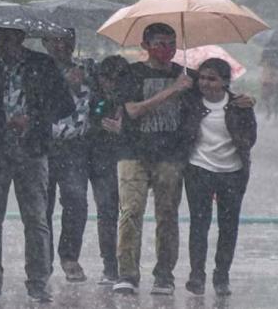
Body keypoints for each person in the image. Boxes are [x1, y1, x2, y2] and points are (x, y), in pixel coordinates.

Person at [0, 27, 75, 303]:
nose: (2, 43)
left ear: (21, 37)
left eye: (8, 37)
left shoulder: (42, 64)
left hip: (32, 149)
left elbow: (64, 106)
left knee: (36, 218)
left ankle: (38, 283)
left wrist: (33, 119)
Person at [112, 23, 195, 296]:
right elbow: (133, 110)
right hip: (133, 152)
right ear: (145, 46)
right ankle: (127, 273)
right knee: (131, 211)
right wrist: (172, 90)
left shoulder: (186, 76)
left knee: (167, 214)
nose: (166, 49)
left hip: (170, 155)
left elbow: (211, 99)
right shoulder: (131, 73)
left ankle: (164, 275)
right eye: (159, 43)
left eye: (171, 43)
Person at [179, 58, 257, 296]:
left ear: (225, 81)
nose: (205, 83)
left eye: (212, 78)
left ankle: (221, 276)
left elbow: (251, 137)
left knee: (228, 226)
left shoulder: (240, 105)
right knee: (199, 224)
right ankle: (197, 275)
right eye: (202, 78)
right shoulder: (190, 103)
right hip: (198, 170)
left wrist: (247, 109)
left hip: (232, 173)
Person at [41, 31, 92, 282]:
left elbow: (104, 97)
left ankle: (70, 255)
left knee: (76, 200)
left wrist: (83, 83)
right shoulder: (39, 68)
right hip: (44, 142)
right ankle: (43, 259)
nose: (62, 45)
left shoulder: (87, 69)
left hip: (75, 145)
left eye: (67, 40)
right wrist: (62, 84)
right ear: (45, 42)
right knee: (42, 205)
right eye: (56, 40)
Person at [86, 55, 132, 285]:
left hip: (129, 160)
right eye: (107, 78)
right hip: (101, 161)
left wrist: (124, 129)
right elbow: (87, 122)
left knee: (129, 213)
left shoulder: (133, 99)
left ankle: (127, 265)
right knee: (106, 212)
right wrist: (100, 124)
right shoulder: (94, 97)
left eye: (117, 78)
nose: (111, 83)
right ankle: (110, 265)